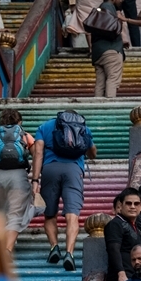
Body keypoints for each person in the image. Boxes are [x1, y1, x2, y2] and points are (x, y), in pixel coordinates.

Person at [32, 111, 96, 272]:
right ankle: (69, 253)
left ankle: (54, 247)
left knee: (50, 214)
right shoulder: (83, 127)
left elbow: (38, 153)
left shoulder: (45, 126)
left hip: (49, 169)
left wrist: (35, 180)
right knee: (72, 214)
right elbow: (92, 153)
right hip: (74, 170)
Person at [0, 109, 37, 252]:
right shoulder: (25, 136)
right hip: (18, 176)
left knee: (2, 211)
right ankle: (7, 249)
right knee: (16, 214)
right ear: (20, 122)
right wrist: (35, 179)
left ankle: (5, 241)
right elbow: (38, 157)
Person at [87, 0, 128, 98]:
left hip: (98, 53)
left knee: (100, 84)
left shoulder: (100, 9)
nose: (121, 1)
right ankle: (109, 107)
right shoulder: (110, 8)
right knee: (112, 80)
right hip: (111, 51)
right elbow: (113, 29)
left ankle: (97, 109)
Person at [104, 187, 141, 281]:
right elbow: (113, 249)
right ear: (120, 205)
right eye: (128, 203)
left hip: (135, 278)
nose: (132, 207)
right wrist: (121, 274)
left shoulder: (134, 226)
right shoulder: (115, 224)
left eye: (136, 204)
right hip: (122, 279)